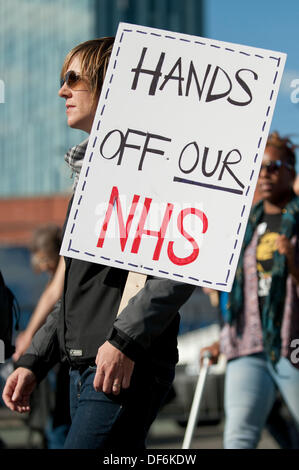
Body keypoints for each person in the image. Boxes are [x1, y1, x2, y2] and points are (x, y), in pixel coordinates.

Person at [2, 37, 195, 450]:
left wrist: (124, 342)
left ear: (110, 84)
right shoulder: (89, 179)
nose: (61, 91)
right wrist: (35, 360)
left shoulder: (153, 168)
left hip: (122, 364)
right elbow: (77, 292)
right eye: (62, 80)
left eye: (74, 79)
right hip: (83, 367)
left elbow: (178, 270)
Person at [201, 132, 299, 449]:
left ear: (291, 173)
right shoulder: (245, 227)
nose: (266, 173)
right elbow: (237, 294)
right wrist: (221, 338)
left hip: (292, 345)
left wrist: (294, 263)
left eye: (275, 166)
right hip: (248, 345)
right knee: (238, 436)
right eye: (261, 166)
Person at [13, 224, 70, 449]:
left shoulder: (66, 267)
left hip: (65, 356)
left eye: (45, 261)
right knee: (56, 420)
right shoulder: (57, 273)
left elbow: (53, 297)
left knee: (59, 422)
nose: (43, 267)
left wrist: (28, 336)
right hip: (61, 354)